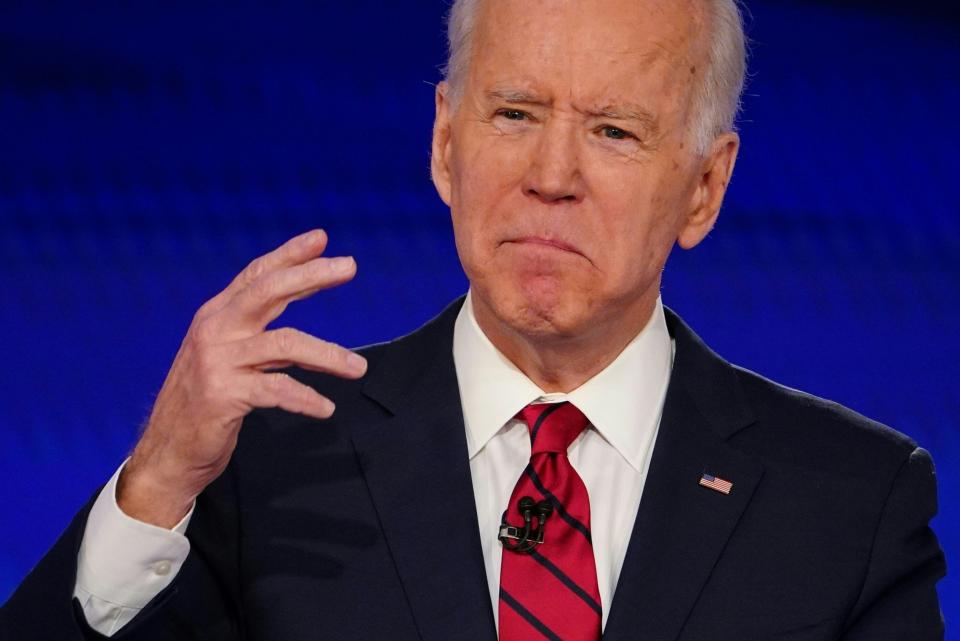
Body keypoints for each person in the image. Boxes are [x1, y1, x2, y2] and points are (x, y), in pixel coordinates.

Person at [1, 0, 946, 639]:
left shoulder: (852, 502)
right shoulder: (271, 465)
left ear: (705, 187)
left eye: (614, 130)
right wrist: (159, 480)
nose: (551, 175)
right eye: (514, 113)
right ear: (446, 143)